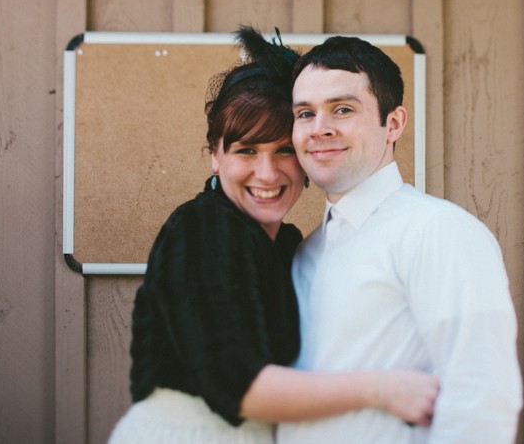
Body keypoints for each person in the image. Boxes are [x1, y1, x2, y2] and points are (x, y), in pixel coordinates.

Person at [108, 27, 439, 444]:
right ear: (216, 155)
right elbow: (240, 385)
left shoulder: (290, 246)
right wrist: (384, 389)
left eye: (283, 150)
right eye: (246, 151)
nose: (267, 174)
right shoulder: (202, 229)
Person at [277, 36, 524, 443]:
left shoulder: (438, 232)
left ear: (393, 124)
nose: (319, 129)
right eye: (305, 113)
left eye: (342, 109)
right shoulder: (308, 252)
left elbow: (480, 397)